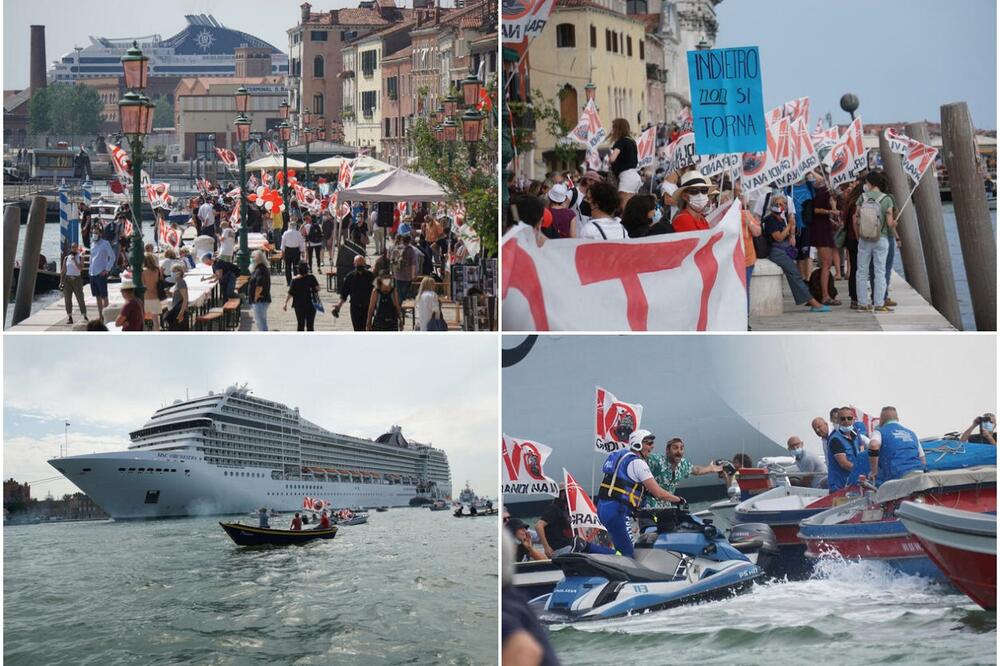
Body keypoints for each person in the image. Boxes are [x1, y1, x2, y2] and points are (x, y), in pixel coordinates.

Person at [595, 430, 683, 558]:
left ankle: (590, 550)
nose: (652, 446)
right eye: (648, 443)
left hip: (604, 507)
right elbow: (659, 493)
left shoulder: (622, 455)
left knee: (622, 548)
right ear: (637, 444)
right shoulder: (638, 463)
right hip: (617, 511)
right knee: (628, 554)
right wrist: (679, 500)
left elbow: (637, 488)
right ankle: (586, 547)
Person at [762, 193, 830, 313]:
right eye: (777, 204)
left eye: (782, 204)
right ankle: (813, 302)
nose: (780, 206)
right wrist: (789, 225)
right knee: (795, 274)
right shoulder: (770, 220)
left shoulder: (782, 219)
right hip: (776, 251)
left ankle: (808, 299)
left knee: (795, 274)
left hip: (784, 249)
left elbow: (789, 239)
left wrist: (791, 230)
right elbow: (778, 237)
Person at [501, 531, 561, 666]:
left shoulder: (508, 608)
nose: (524, 531)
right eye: (520, 528)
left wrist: (530, 548)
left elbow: (525, 650)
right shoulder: (515, 600)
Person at [853, 171, 896, 312]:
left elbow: (856, 218)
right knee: (880, 271)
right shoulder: (887, 199)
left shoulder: (862, 197)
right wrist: (894, 223)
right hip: (881, 238)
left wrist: (859, 233)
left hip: (864, 239)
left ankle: (862, 303)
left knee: (862, 271)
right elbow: (890, 224)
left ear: (870, 184)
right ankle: (878, 303)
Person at [646, 437, 724, 508]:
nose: (679, 451)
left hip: (666, 507)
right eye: (675, 448)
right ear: (667, 450)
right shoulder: (657, 460)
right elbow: (641, 458)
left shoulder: (683, 465)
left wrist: (710, 469)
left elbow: (696, 470)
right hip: (649, 506)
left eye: (681, 448)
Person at [868, 407, 924, 485]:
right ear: (897, 418)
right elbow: (922, 458)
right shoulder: (912, 433)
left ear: (881, 420)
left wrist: (874, 471)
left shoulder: (879, 432)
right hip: (919, 474)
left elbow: (873, 445)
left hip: (898, 476)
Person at [809, 171, 839, 305]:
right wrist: (830, 211)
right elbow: (816, 210)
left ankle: (825, 293)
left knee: (827, 262)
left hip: (824, 228)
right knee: (826, 263)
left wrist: (832, 210)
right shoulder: (821, 192)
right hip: (820, 230)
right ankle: (825, 295)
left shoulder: (825, 193)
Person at [825, 407, 871, 491]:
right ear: (838, 421)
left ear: (853, 420)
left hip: (852, 485)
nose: (846, 421)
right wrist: (862, 471)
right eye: (843, 419)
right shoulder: (835, 439)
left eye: (849, 418)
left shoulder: (856, 436)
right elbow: (844, 463)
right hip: (839, 488)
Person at [333, 255, 375, 331]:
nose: (360, 266)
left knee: (367, 328)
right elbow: (344, 294)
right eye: (358, 264)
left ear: (365, 264)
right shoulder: (350, 277)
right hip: (355, 308)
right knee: (357, 329)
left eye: (361, 264)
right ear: (354, 264)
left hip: (368, 307)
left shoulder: (371, 276)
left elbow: (378, 290)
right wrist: (338, 306)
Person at [608, 118, 640, 210]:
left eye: (613, 128)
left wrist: (608, 160)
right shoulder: (632, 141)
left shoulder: (621, 142)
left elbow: (613, 158)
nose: (612, 131)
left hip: (626, 177)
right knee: (632, 205)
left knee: (624, 206)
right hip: (634, 176)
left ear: (618, 129)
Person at [284, 262, 320, 331]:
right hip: (311, 304)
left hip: (299, 305)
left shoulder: (295, 280)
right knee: (310, 325)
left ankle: (300, 340)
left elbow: (290, 293)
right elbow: (318, 288)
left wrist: (285, 303)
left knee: (300, 324)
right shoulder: (311, 277)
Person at [89, 233, 116, 321]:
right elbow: (91, 258)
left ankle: (106, 317)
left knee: (104, 296)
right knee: (97, 296)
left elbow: (112, 257)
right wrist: (89, 271)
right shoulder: (92, 243)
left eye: (96, 233)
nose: (94, 234)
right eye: (93, 232)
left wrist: (107, 269)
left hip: (101, 273)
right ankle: (101, 316)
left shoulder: (105, 243)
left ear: (100, 234)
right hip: (92, 273)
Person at [60, 243, 87, 324]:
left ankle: (84, 315)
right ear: (70, 248)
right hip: (67, 279)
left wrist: (75, 260)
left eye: (75, 247)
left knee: (80, 298)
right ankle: (69, 316)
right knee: (67, 299)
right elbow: (63, 270)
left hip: (77, 279)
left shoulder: (80, 257)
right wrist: (61, 281)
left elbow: (80, 268)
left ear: (77, 248)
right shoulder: (66, 258)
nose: (74, 248)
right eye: (72, 247)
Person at [248, 249, 272, 331]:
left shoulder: (260, 270)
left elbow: (259, 286)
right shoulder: (260, 268)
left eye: (252, 257)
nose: (251, 259)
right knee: (260, 321)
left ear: (257, 258)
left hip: (260, 300)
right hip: (261, 300)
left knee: (261, 322)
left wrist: (255, 298)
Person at [391, 234, 419, 303]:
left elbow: (392, 261)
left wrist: (392, 272)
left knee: (398, 292)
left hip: (397, 274)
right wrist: (413, 275)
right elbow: (413, 264)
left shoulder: (396, 248)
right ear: (409, 241)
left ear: (402, 240)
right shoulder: (410, 250)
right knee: (404, 293)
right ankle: (401, 306)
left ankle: (398, 306)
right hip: (407, 275)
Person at [141, 253, 163, 331]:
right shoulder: (158, 270)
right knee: (156, 320)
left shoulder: (143, 272)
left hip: (146, 297)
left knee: (143, 320)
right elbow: (161, 281)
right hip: (156, 296)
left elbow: (143, 285)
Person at [163, 264, 189, 330]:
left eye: (174, 271)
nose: (172, 273)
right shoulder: (178, 282)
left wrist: (181, 313)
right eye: (172, 271)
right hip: (176, 309)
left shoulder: (181, 282)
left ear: (179, 272)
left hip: (179, 311)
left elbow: (185, 298)